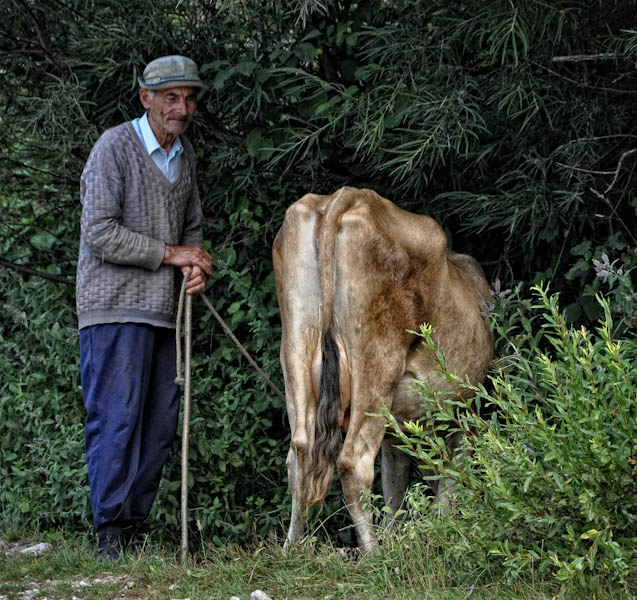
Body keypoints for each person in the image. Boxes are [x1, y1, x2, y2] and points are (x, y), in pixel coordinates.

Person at [76, 55, 213, 560]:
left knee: (157, 425)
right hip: (112, 307)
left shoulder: (184, 155)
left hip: (164, 311)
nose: (182, 107)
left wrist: (194, 267)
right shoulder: (114, 147)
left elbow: (192, 230)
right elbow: (100, 232)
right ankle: (109, 534)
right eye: (171, 97)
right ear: (146, 98)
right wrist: (174, 254)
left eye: (189, 98)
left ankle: (130, 530)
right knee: (117, 419)